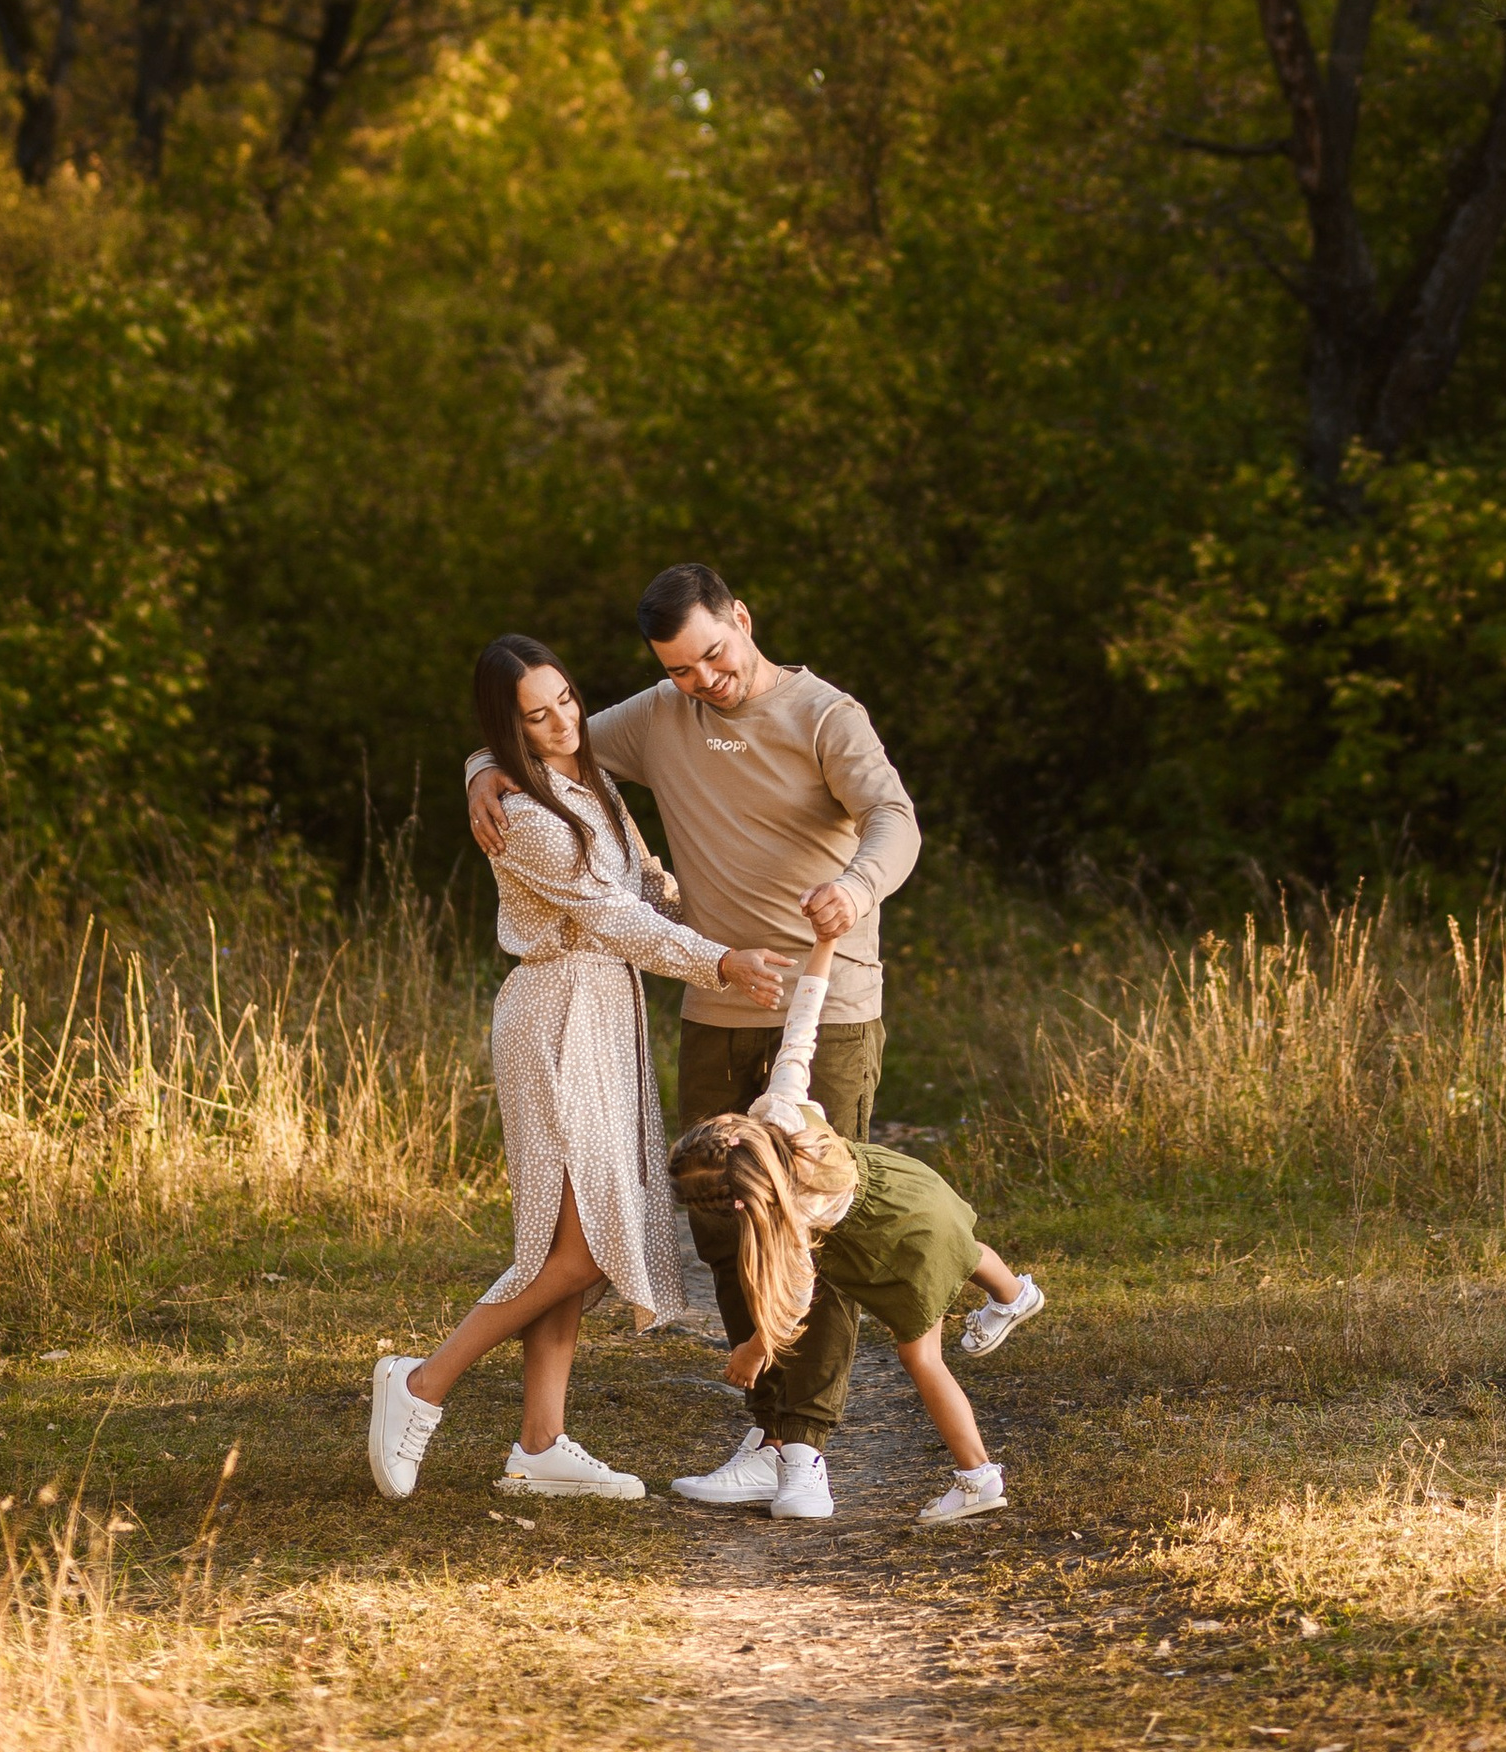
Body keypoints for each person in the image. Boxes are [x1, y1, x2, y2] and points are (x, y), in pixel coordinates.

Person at [464, 560, 920, 1516]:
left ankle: (806, 1449)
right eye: (678, 670)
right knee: (720, 1219)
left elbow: (894, 817)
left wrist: (860, 884)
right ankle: (762, 1431)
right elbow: (556, 737)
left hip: (824, 1003)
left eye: (713, 657)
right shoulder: (664, 716)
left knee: (810, 1215)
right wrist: (482, 770)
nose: (703, 682)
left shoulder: (827, 716)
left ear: (742, 619)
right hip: (715, 1009)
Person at [370, 634, 782, 1506]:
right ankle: (421, 1383)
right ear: (506, 726)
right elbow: (613, 919)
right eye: (535, 716)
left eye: (565, 700)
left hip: (605, 1013)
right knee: (580, 1244)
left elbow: (642, 892)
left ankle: (540, 1444)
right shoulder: (519, 813)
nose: (561, 722)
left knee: (572, 1244)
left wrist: (700, 892)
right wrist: (718, 961)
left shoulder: (588, 781)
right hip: (555, 1014)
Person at [668, 962, 1044, 1530]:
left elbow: (794, 1302)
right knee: (965, 1247)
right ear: (733, 1129)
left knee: (923, 1359)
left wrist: (752, 1349)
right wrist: (823, 950)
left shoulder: (788, 1220)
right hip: (914, 1192)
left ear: (740, 1205)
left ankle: (978, 1477)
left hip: (903, 1247)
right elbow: (802, 1028)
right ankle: (1014, 1294)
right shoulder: (780, 1110)